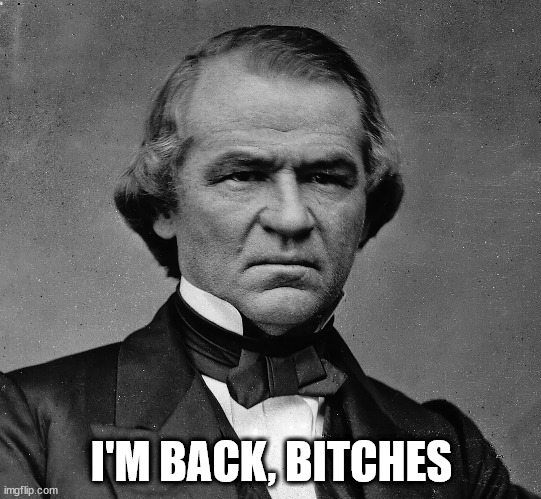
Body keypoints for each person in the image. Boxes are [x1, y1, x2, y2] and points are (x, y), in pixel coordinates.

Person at [0, 25, 537, 499]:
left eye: (325, 177)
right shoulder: (30, 422)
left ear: (367, 209)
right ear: (165, 205)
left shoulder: (450, 455)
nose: (291, 217)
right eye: (244, 175)